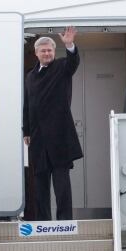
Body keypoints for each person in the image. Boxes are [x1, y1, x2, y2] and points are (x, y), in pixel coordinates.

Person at [22, 26, 82, 221]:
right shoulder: (30, 76)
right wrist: (26, 130)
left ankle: (64, 222)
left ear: (54, 53)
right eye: (43, 50)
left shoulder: (62, 67)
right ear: (37, 53)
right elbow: (27, 105)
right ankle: (43, 222)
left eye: (50, 50)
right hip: (38, 138)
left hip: (59, 136)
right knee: (40, 184)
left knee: (61, 183)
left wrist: (69, 44)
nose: (47, 53)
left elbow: (74, 62)